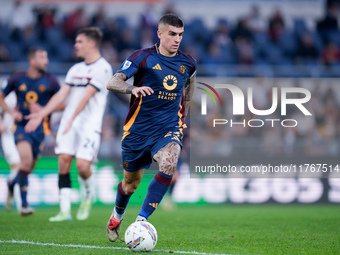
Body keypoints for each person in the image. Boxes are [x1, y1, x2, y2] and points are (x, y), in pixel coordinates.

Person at [105, 13, 196, 242]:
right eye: (172, 34)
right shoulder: (142, 57)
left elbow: (190, 84)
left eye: (180, 35)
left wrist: (184, 114)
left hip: (168, 128)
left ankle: (141, 221)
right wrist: (131, 89)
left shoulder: (188, 63)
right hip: (137, 132)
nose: (177, 39)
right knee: (129, 185)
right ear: (160, 34)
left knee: (170, 162)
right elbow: (112, 82)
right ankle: (117, 215)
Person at [25, 27, 113, 222]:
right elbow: (62, 95)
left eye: (79, 41)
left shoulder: (103, 68)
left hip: (89, 124)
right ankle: (64, 211)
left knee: (82, 166)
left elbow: (86, 96)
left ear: (91, 43)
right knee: (64, 161)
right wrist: (42, 113)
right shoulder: (76, 69)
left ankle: (87, 195)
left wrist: (71, 118)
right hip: (68, 122)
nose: (75, 45)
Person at [0, 47, 61, 216]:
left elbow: (62, 103)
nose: (47, 61)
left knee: (28, 168)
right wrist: (12, 112)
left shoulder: (51, 81)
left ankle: (12, 184)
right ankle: (24, 205)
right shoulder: (17, 78)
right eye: (43, 57)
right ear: (32, 61)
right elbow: (1, 96)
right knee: (25, 162)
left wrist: (44, 109)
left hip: (40, 129)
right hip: (21, 126)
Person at [0, 91, 22, 212]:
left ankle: (11, 186)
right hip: (8, 135)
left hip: (24, 135)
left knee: (24, 167)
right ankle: (21, 203)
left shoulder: (29, 93)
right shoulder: (8, 97)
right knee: (17, 165)